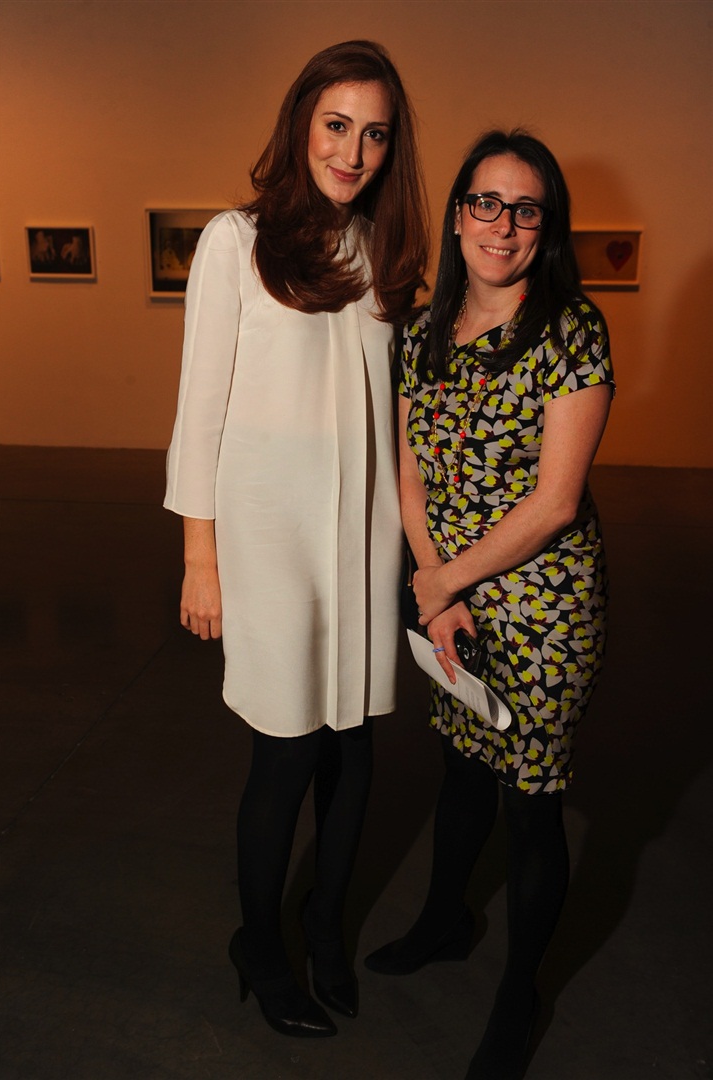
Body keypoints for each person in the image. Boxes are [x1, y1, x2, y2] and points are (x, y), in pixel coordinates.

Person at [164, 40, 427, 1039]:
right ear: (300, 122)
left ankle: (324, 929)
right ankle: (259, 944)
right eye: (335, 125)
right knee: (284, 752)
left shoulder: (376, 253)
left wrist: (414, 560)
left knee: (352, 752)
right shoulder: (234, 242)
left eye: (372, 134)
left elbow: (387, 421)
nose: (352, 151)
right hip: (268, 549)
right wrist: (202, 560)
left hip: (358, 547)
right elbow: (200, 411)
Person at [364, 130, 614, 1080]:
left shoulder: (570, 329)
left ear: (545, 226)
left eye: (525, 208)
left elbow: (555, 501)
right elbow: (411, 475)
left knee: (531, 804)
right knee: (462, 768)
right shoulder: (421, 330)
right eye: (485, 202)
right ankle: (443, 921)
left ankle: (519, 993)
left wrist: (439, 583)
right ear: (459, 212)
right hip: (453, 605)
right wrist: (434, 589)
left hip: (543, 609)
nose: (502, 225)